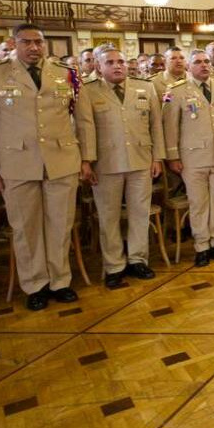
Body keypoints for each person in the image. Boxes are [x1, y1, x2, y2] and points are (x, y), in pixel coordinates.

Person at [0, 24, 81, 311]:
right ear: (15, 43)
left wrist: (85, 158)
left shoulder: (64, 72)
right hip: (17, 161)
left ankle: (60, 281)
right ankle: (35, 284)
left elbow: (76, 117)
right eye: (26, 42)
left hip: (61, 159)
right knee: (25, 227)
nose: (34, 47)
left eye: (39, 42)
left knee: (61, 224)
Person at [77, 47, 164, 288]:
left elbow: (156, 125)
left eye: (121, 61)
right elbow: (85, 128)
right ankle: (114, 265)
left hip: (141, 159)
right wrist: (87, 161)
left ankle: (138, 259)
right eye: (110, 62)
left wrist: (157, 158)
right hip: (106, 163)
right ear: (98, 66)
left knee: (139, 214)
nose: (117, 66)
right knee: (109, 217)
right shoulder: (88, 90)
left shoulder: (145, 87)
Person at [163, 49, 214, 267]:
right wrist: (172, 156)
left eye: (206, 61)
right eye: (198, 62)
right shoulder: (177, 91)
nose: (204, 65)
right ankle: (202, 245)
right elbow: (170, 127)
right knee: (198, 203)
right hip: (193, 157)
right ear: (189, 66)